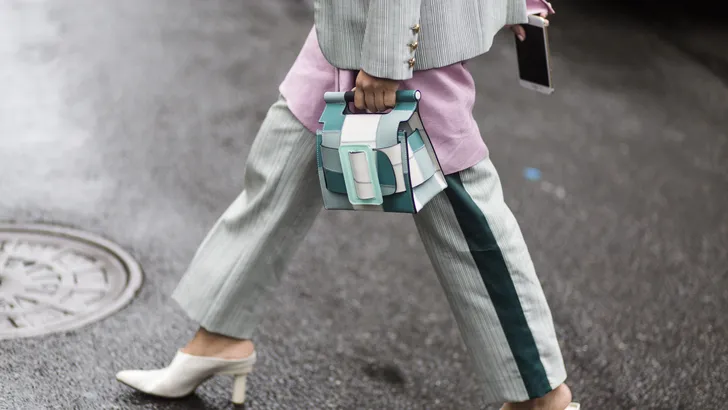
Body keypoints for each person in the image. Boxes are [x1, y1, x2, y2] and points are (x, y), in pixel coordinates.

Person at [116, 1, 579, 409]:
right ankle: (217, 336)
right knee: (279, 163)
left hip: (402, 36)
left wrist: (385, 59)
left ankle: (540, 394)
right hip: (348, 27)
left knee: (463, 212)